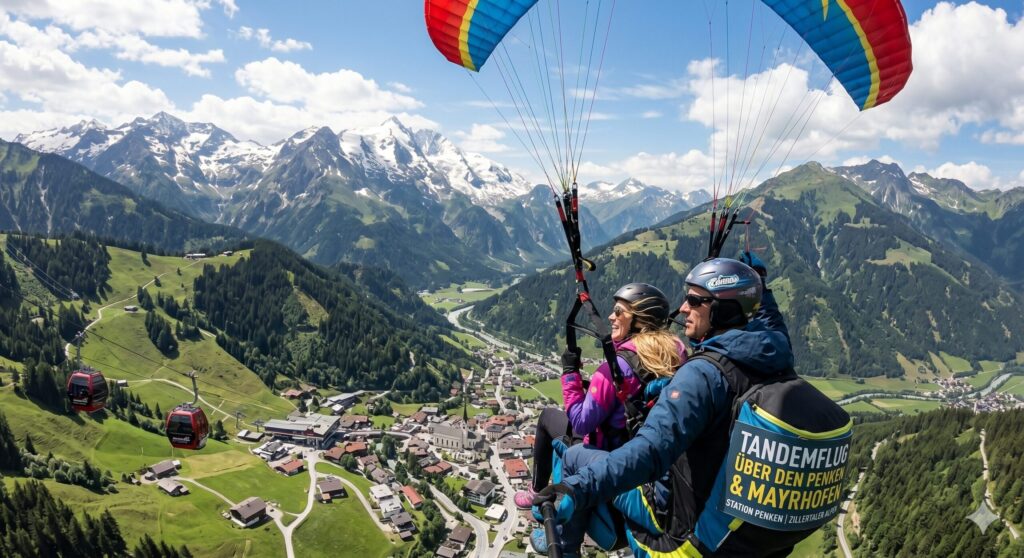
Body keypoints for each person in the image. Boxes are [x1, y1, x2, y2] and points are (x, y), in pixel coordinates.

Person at [534, 254, 845, 557]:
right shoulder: (774, 356)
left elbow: (649, 454)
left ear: (722, 310)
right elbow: (772, 324)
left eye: (696, 301)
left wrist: (575, 489)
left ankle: (565, 547)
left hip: (677, 529)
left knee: (575, 455)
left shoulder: (703, 373)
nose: (683, 308)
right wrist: (760, 287)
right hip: (731, 527)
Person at [514, 282, 686, 514]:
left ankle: (536, 491)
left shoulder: (614, 369)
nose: (610, 317)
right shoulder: (676, 352)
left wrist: (570, 375)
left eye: (618, 312)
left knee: (546, 417)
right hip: (644, 451)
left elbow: (581, 423)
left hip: (608, 453)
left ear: (639, 320)